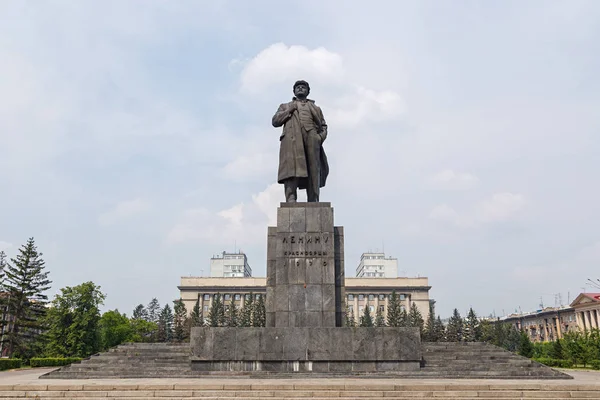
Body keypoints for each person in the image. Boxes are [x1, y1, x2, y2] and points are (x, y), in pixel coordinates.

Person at [272, 80, 329, 202]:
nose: (300, 88)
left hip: (312, 138)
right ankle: (291, 197)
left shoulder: (316, 108)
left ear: (308, 91)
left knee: (313, 169)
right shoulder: (285, 106)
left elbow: (324, 126)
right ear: (294, 91)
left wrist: (319, 138)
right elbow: (275, 121)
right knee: (292, 168)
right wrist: (290, 110)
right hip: (292, 140)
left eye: (303, 87)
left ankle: (313, 199)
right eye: (298, 87)